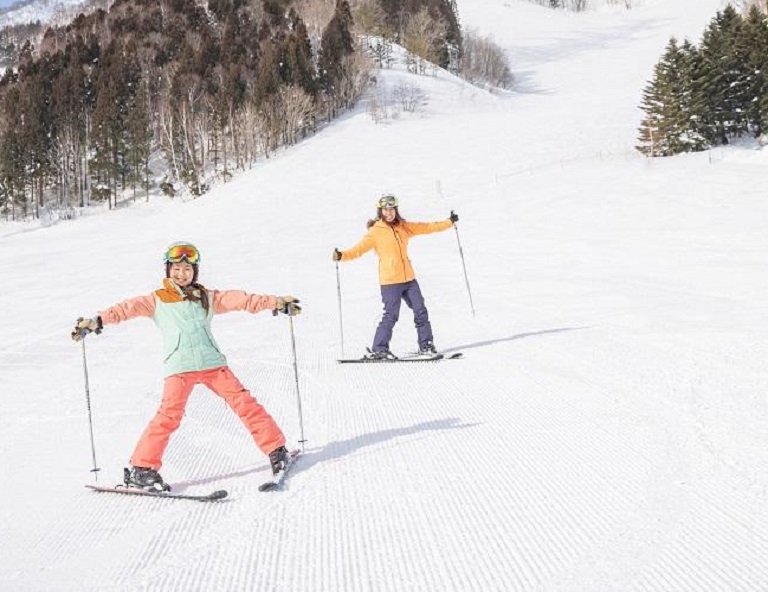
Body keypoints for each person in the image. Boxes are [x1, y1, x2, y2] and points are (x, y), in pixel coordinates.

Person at [71, 241, 301, 490]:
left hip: (212, 364)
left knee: (245, 404)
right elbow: (126, 308)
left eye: (188, 270)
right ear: (168, 270)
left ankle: (277, 451)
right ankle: (142, 468)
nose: (182, 274)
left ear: (195, 272)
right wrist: (98, 320)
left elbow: (241, 300)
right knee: (168, 416)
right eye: (177, 269)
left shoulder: (206, 297)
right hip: (179, 367)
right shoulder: (156, 300)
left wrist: (275, 302)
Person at [333, 193, 458, 360]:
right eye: (385, 210)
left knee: (420, 311)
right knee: (391, 315)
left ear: (395, 210)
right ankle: (379, 349)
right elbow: (359, 249)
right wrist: (342, 255)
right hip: (390, 281)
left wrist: (449, 222)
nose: (389, 213)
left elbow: (427, 227)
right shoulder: (375, 232)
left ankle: (426, 345)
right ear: (380, 211)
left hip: (409, 279)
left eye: (391, 209)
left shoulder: (403, 227)